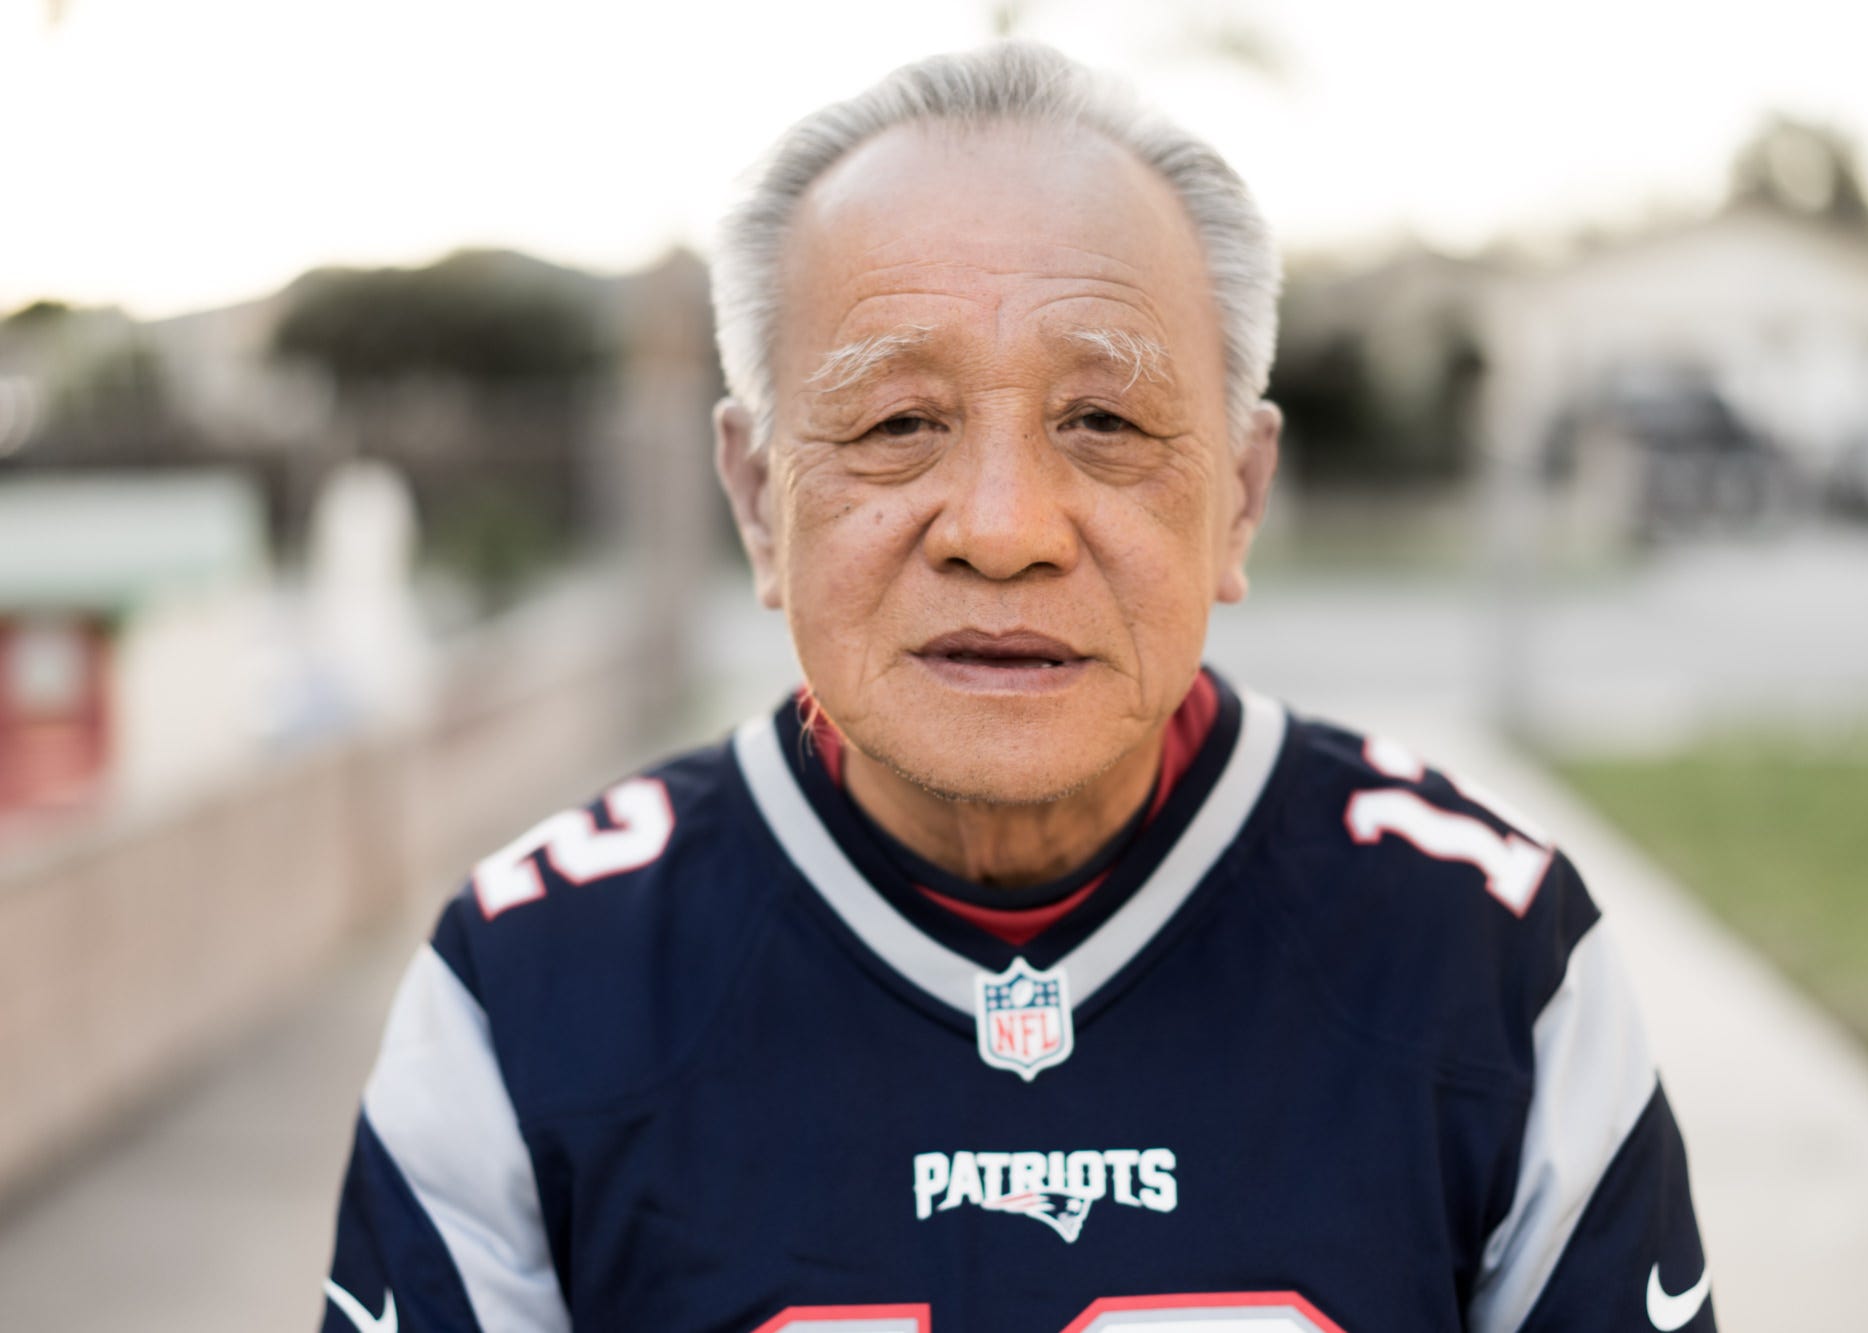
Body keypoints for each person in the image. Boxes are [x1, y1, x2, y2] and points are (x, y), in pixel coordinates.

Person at [320, 41, 1716, 1333]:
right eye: (896, 421)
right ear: (758, 500)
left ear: (1238, 497)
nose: (1001, 525)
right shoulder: (526, 992)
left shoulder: (1492, 958)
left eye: (1103, 421)